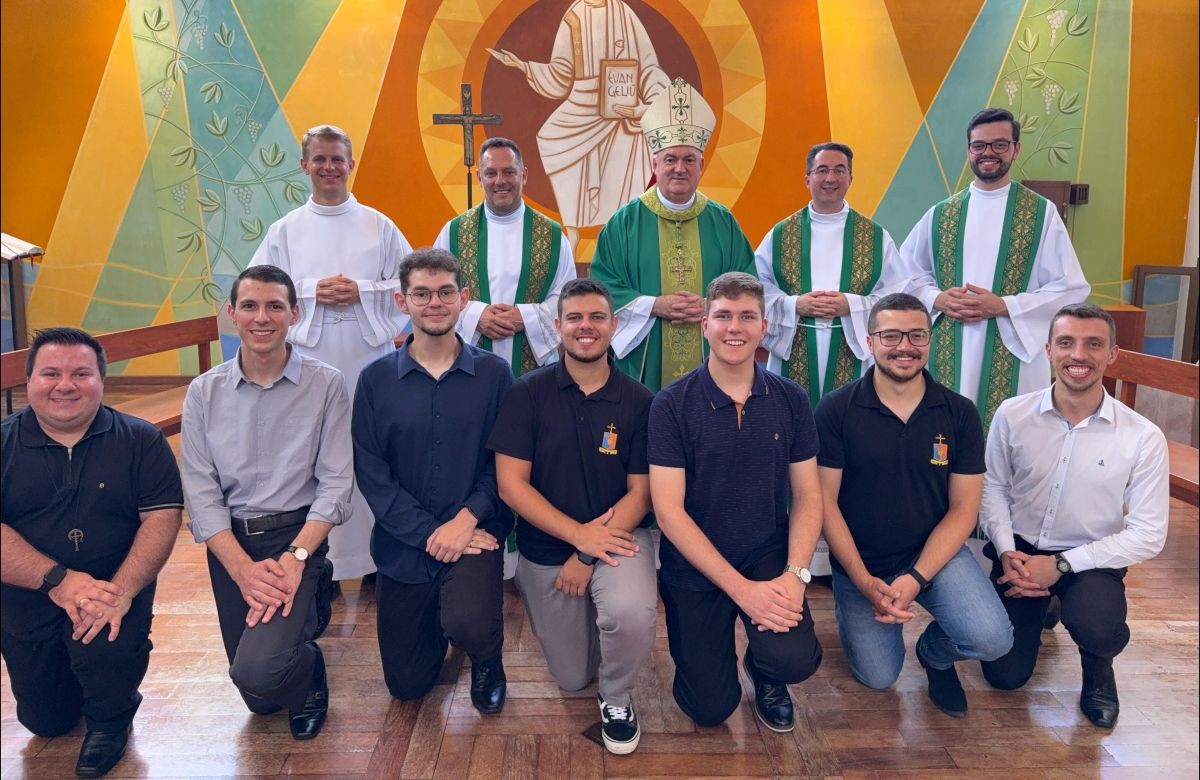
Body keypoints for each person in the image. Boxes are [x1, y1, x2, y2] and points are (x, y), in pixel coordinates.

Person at [814, 293, 1013, 718]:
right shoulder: (836, 409)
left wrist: (917, 577)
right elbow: (823, 504)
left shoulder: (958, 413)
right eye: (890, 335)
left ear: (929, 340)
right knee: (879, 677)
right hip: (862, 566)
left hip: (935, 559)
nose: (904, 346)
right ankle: (857, 609)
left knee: (994, 640)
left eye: (916, 335)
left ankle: (935, 653)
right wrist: (865, 581)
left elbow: (964, 509)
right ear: (869, 342)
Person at [181, 265, 353, 741]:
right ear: (232, 313)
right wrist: (240, 569)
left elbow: (337, 485)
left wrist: (297, 559)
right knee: (258, 700)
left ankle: (308, 669)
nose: (263, 317)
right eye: (250, 306)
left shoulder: (326, 384)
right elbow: (200, 493)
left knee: (258, 671)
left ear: (294, 314)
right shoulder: (204, 392)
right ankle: (302, 644)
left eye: (275, 306)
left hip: (295, 540)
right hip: (230, 546)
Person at [1, 328, 183, 777]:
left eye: (81, 373)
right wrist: (60, 582)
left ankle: (112, 717)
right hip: (28, 594)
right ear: (29, 381)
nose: (66, 385)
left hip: (113, 589)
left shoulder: (140, 440)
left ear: (101, 380)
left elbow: (161, 518)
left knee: (106, 660)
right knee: (46, 722)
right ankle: (77, 688)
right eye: (51, 373)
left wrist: (121, 590)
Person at [978, 304, 1169, 728]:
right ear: (1049, 350)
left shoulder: (1142, 436)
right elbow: (994, 488)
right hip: (1020, 554)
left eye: (1093, 344)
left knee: (1096, 625)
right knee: (1004, 675)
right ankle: (1046, 605)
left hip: (1091, 557)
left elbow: (1149, 534)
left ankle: (1099, 664)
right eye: (1066, 343)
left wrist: (1061, 566)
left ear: (1112, 354)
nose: (1078, 354)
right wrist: (1008, 552)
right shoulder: (1012, 414)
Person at [648, 272, 823, 732]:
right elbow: (668, 512)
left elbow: (807, 496)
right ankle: (723, 658)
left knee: (793, 660)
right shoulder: (670, 405)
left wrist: (795, 577)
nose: (734, 328)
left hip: (768, 554)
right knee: (708, 709)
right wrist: (741, 591)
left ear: (764, 328)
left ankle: (765, 672)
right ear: (704, 324)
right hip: (696, 566)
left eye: (747, 316)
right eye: (723, 316)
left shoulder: (791, 398)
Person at [490, 277, 656, 754]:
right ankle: (582, 629)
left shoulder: (640, 400)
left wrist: (586, 554)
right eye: (575, 318)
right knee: (571, 677)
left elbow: (641, 494)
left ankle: (618, 695)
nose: (586, 327)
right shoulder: (527, 393)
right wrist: (577, 539)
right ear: (558, 325)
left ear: (614, 325)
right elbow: (510, 485)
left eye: (597, 317)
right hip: (546, 546)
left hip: (620, 538)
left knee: (628, 614)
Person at [352, 248, 514, 713]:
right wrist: (429, 533)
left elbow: (502, 462)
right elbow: (372, 471)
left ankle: (486, 655)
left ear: (464, 298)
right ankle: (439, 622)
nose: (434, 303)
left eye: (445, 292)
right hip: (405, 544)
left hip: (476, 532)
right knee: (407, 684)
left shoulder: (493, 374)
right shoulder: (375, 380)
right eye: (421, 294)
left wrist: (467, 519)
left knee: (469, 621)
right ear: (402, 302)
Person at [250, 124, 413, 582]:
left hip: (369, 359)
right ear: (304, 166)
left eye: (337, 159)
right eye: (319, 159)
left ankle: (381, 559)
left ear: (350, 165)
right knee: (314, 456)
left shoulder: (379, 225)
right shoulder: (284, 231)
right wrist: (310, 290)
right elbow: (258, 287)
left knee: (374, 451)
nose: (328, 167)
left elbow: (409, 288)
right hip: (307, 365)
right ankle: (321, 564)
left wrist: (358, 290)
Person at [899, 108, 1089, 429]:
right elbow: (901, 275)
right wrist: (938, 299)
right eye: (979, 146)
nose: (988, 153)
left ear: (1016, 148)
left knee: (1008, 447)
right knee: (943, 442)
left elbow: (1070, 289)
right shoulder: (942, 213)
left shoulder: (1040, 214)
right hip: (949, 345)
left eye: (999, 145)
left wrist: (1004, 305)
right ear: (969, 151)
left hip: (1012, 347)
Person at [590, 78, 756, 391]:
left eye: (688, 159)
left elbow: (748, 284)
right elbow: (602, 287)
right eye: (670, 159)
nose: (679, 168)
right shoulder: (624, 223)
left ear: (702, 164)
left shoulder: (723, 222)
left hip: (714, 359)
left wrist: (711, 306)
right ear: (655, 163)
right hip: (645, 363)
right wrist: (654, 305)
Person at [487, 0, 671, 250]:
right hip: (583, 99)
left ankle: (618, 236)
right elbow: (562, 73)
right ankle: (571, 233)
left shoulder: (624, 13)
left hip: (619, 103)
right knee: (551, 138)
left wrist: (645, 106)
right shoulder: (574, 16)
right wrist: (523, 66)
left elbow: (647, 66)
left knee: (628, 145)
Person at [756, 142, 905, 398]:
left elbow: (898, 296)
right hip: (795, 345)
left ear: (850, 178)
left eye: (839, 170)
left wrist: (852, 305)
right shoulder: (780, 235)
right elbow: (757, 290)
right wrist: (794, 305)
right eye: (822, 170)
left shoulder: (875, 237)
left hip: (853, 349)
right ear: (807, 178)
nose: (830, 178)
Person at [434, 137, 576, 376]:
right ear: (479, 177)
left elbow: (568, 297)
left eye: (509, 172)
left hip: (535, 370)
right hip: (467, 364)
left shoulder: (552, 234)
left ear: (524, 175)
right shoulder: (454, 232)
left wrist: (527, 317)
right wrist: (476, 316)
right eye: (491, 173)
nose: (500, 181)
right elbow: (437, 291)